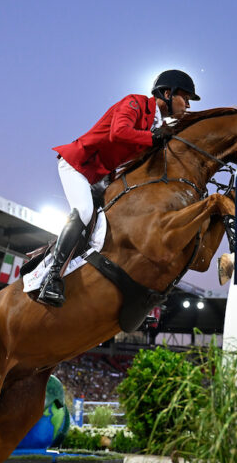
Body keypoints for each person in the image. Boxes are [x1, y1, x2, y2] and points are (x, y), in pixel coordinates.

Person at [37, 70, 200, 307]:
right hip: (79, 165)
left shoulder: (159, 124)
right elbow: (118, 132)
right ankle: (51, 277)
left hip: (103, 177)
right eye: (185, 98)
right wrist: (153, 137)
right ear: (167, 93)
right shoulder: (134, 102)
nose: (187, 104)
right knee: (83, 212)